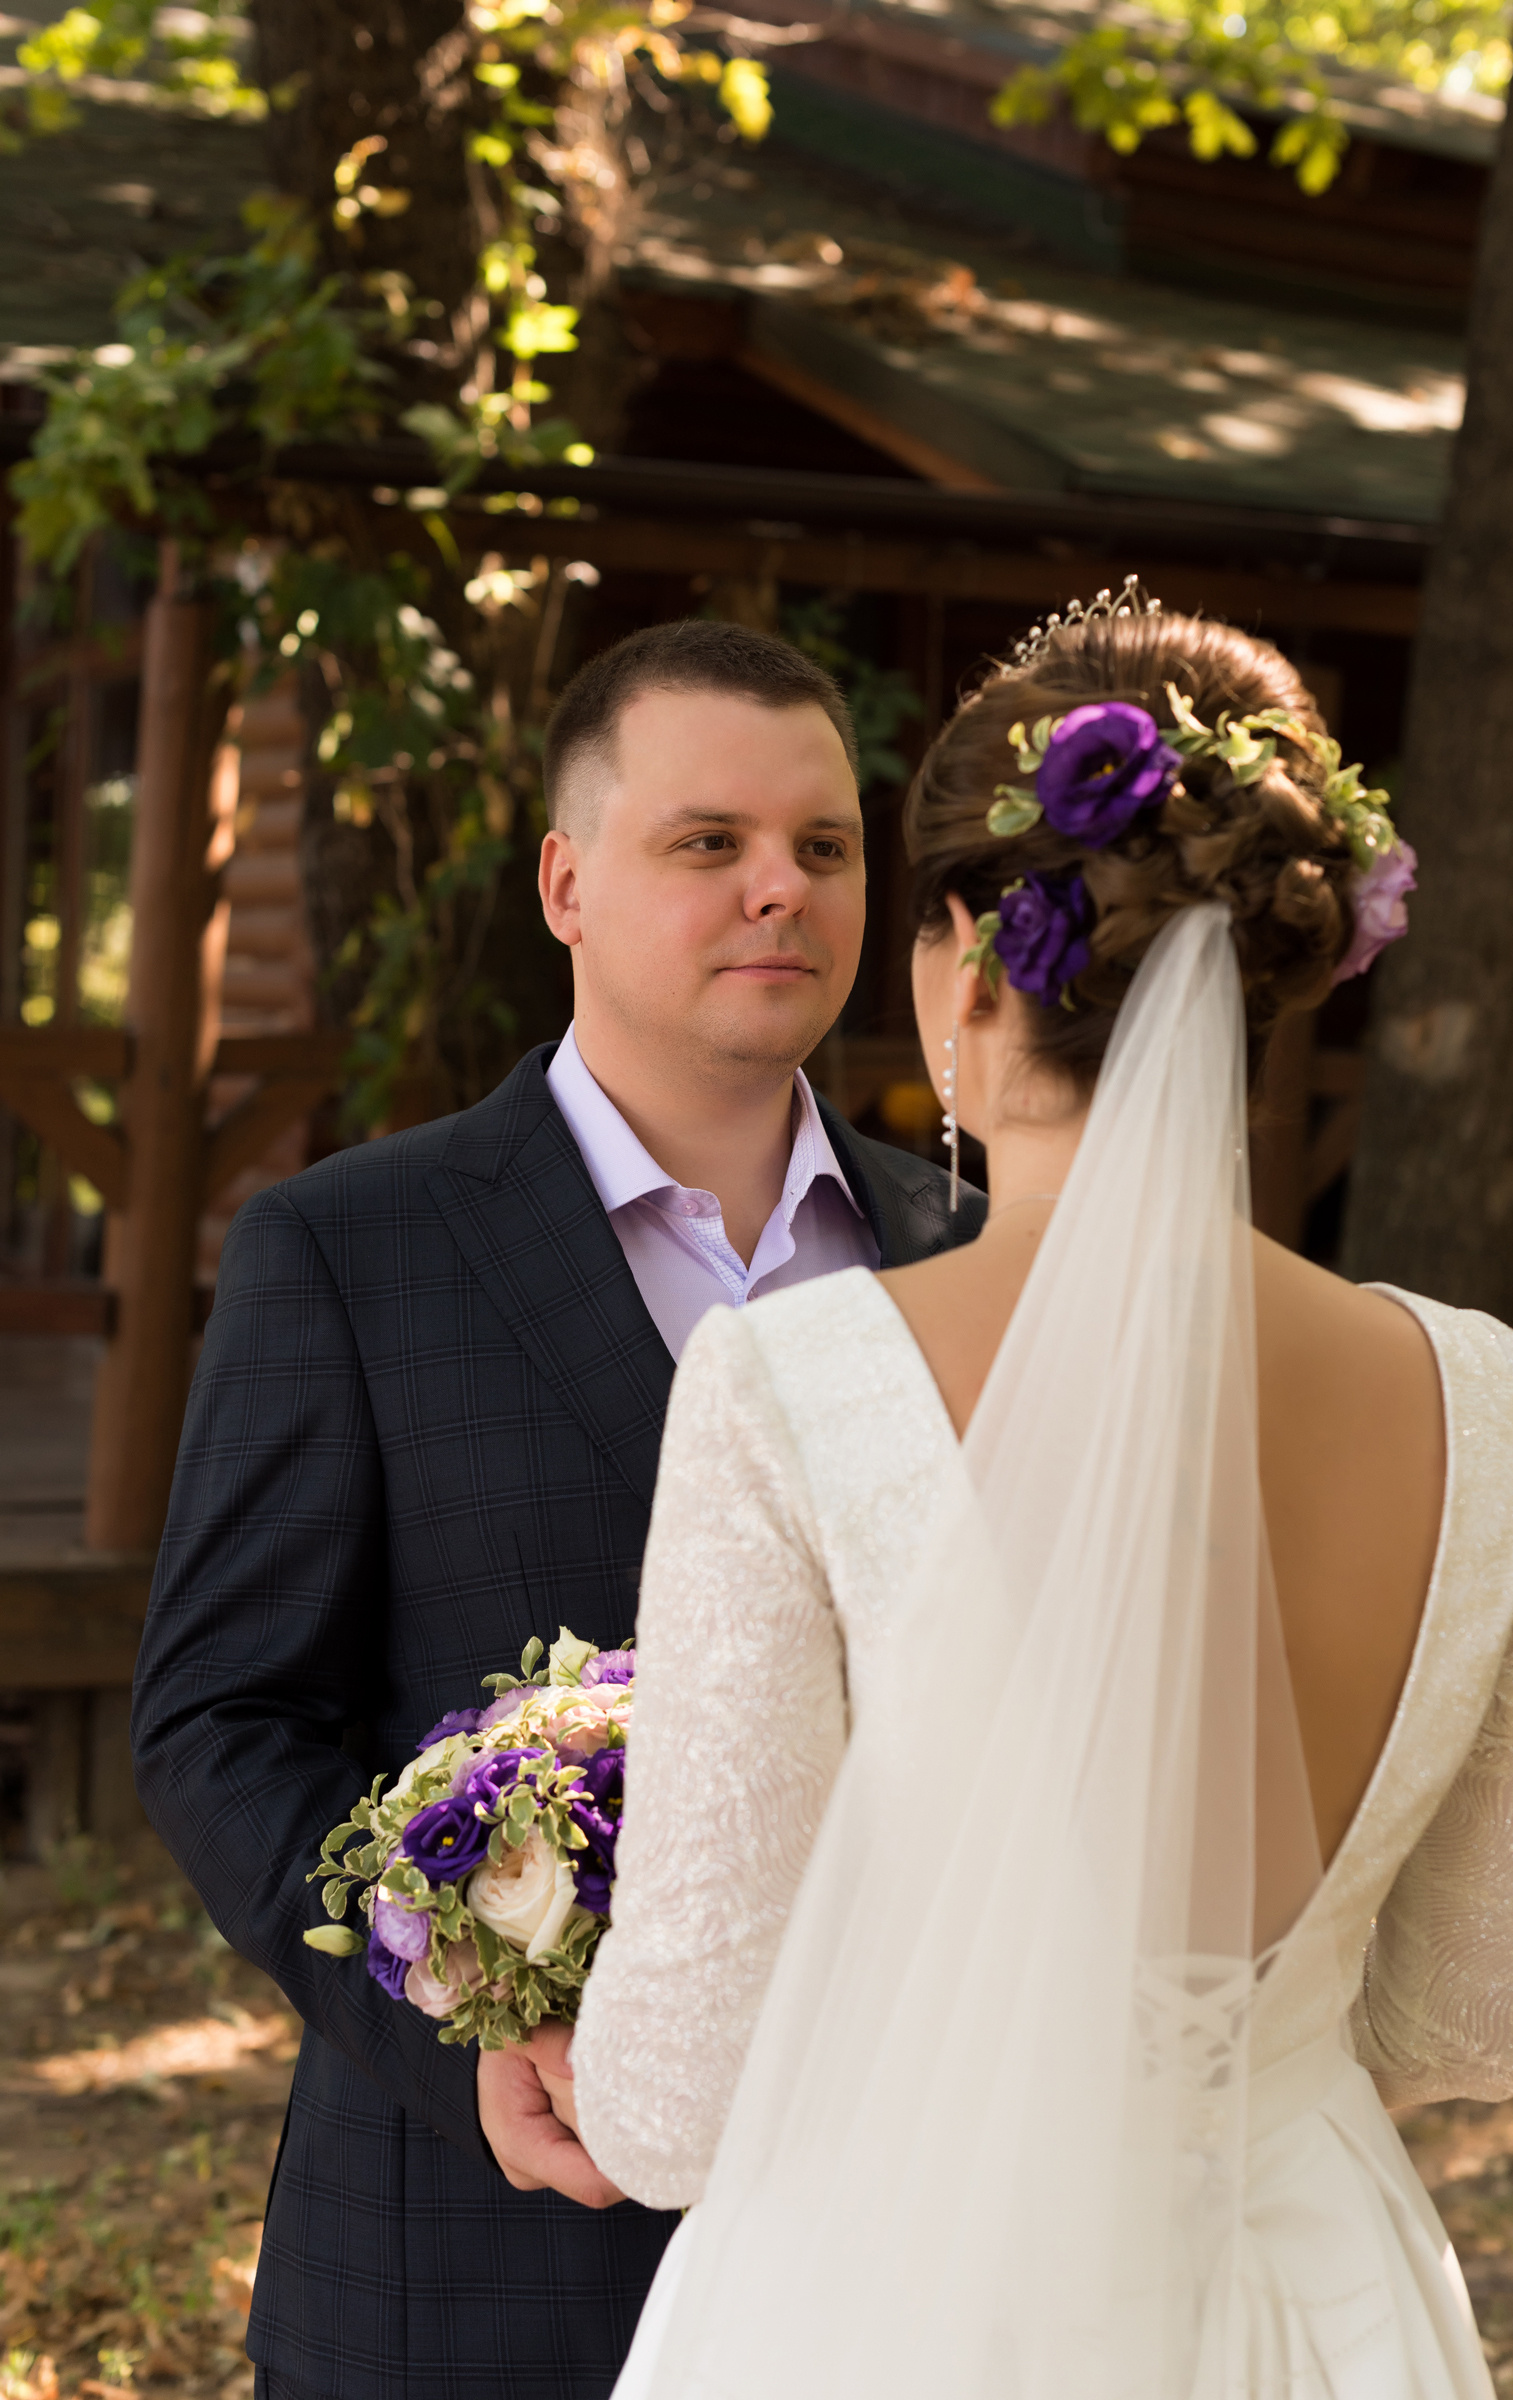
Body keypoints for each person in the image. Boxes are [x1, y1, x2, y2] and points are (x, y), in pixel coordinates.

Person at [556, 600, 1513, 2398]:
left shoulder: (799, 1386)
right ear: (1274, 963)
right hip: (1316, 2294)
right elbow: (1478, 2020)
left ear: (962, 964)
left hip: (906, 2303)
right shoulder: (1489, 1404)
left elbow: (686, 2101)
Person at [129, 619, 984, 2400]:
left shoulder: (970, 1255)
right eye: (709, 845)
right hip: (490, 2248)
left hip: (917, 2232)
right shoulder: (349, 1251)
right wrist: (457, 2053)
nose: (781, 891)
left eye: (823, 849)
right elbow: (222, 1723)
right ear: (566, 882)